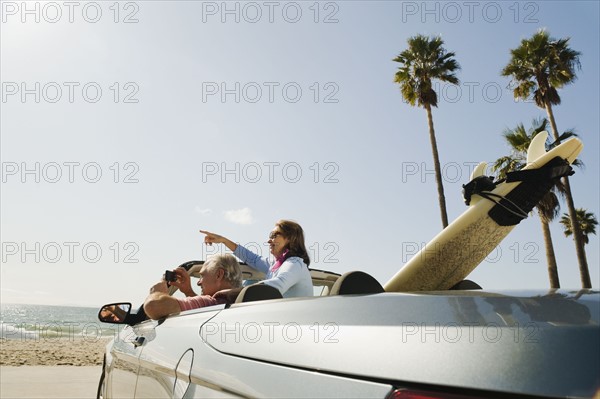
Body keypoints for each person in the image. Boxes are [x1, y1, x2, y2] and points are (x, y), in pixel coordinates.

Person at [200, 220, 313, 298]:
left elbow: (277, 285)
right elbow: (252, 259)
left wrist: (232, 293)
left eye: (274, 236)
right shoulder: (275, 264)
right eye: (270, 236)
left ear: (290, 239)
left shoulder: (294, 264)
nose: (269, 240)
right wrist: (223, 240)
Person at [143, 254, 242, 320]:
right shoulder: (242, 302)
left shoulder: (214, 302)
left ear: (219, 275)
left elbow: (153, 306)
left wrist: (158, 292)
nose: (198, 283)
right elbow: (203, 308)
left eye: (202, 276)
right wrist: (188, 291)